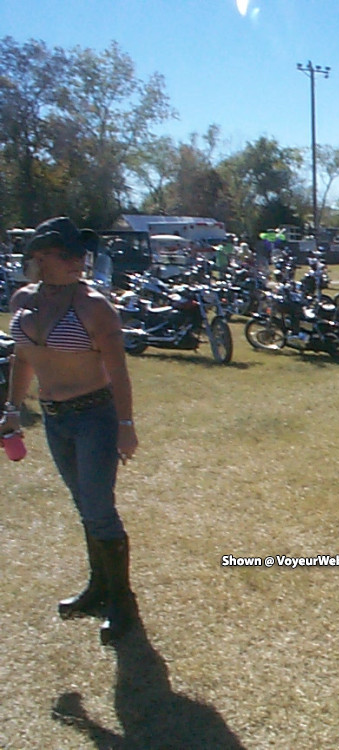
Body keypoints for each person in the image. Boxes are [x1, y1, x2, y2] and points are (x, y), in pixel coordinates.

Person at [1, 217, 139, 645]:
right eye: (66, 254)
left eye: (81, 254)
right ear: (39, 257)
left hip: (94, 417)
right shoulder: (23, 300)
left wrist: (126, 425)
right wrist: (12, 410)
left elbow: (118, 370)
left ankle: (122, 603)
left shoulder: (95, 307)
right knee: (84, 506)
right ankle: (99, 588)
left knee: (98, 509)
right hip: (55, 419)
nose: (78, 261)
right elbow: (22, 359)